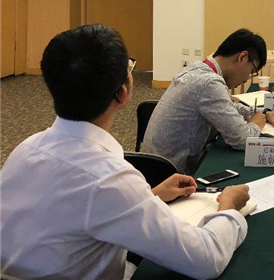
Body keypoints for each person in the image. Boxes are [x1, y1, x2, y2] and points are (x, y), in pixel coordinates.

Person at [0, 24, 251, 279]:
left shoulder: (24, 150)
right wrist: (229, 208)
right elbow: (206, 259)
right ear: (123, 94)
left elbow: (70, 215)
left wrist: (151, 196)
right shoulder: (109, 179)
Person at [142, 28, 274, 174]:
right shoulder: (209, 83)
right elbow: (243, 140)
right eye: (251, 71)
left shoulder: (197, 69)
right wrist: (256, 122)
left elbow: (226, 107)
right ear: (242, 57)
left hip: (153, 168)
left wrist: (263, 112)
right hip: (171, 175)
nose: (247, 79)